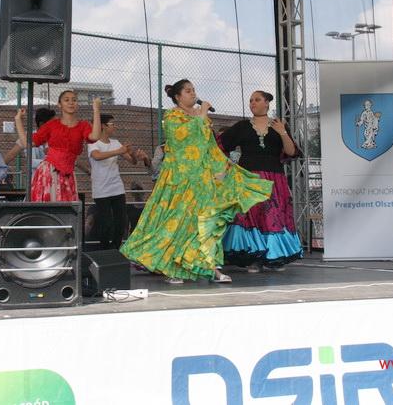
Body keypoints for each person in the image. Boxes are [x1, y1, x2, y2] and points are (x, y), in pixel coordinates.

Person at [119, 79, 272, 284]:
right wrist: (202, 114)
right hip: (179, 181)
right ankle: (173, 268)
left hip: (202, 180)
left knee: (206, 223)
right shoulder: (172, 116)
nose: (193, 94)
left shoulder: (201, 117)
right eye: (188, 91)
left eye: (193, 90)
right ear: (177, 96)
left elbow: (210, 146)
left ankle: (212, 268)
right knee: (177, 223)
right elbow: (182, 139)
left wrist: (223, 169)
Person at [219, 90, 303, 272]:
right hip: (248, 178)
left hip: (274, 179)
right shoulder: (242, 126)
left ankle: (273, 256)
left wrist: (283, 133)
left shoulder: (279, 125)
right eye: (251, 100)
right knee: (251, 215)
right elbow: (220, 145)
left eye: (257, 100)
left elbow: (291, 152)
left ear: (267, 103)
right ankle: (253, 258)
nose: (252, 103)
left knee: (272, 216)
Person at [87, 114, 150, 249]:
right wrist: (118, 151)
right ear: (103, 126)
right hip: (101, 190)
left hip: (117, 188)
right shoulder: (93, 143)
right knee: (105, 221)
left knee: (121, 221)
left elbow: (132, 161)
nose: (114, 127)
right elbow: (97, 156)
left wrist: (132, 154)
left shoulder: (115, 143)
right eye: (112, 124)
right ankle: (104, 249)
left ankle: (116, 248)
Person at [29, 91, 101, 202]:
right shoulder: (52, 125)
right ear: (59, 104)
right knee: (49, 206)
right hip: (49, 172)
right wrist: (18, 120)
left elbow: (95, 136)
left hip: (68, 174)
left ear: (77, 104)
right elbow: (30, 142)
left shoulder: (83, 125)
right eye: (66, 100)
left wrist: (96, 110)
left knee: (66, 207)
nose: (71, 102)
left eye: (74, 100)